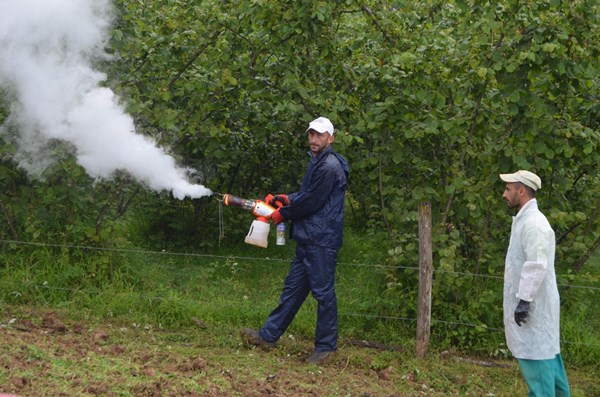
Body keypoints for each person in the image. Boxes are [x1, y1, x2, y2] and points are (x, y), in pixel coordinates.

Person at [241, 116, 349, 365]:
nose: (314, 139)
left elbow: (312, 202)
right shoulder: (317, 161)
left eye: (319, 135)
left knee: (323, 294)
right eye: (311, 134)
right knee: (292, 291)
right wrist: (286, 198)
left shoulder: (328, 166)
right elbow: (306, 195)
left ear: (330, 138)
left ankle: (325, 348)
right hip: (308, 237)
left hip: (321, 239)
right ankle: (268, 336)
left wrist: (281, 213)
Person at [500, 170, 570, 397]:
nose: (504, 194)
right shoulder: (525, 221)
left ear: (522, 191)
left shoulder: (535, 224)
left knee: (539, 371)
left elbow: (537, 264)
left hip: (533, 311)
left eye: (508, 189)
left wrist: (523, 301)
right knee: (550, 370)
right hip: (535, 312)